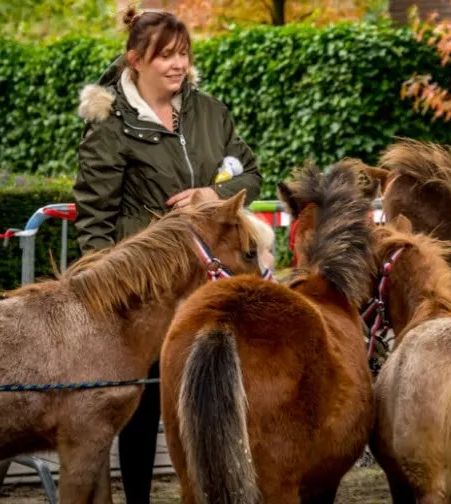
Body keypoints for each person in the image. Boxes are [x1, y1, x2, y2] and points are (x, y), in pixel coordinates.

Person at [72, 7, 262, 503]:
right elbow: (94, 217)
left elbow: (251, 173)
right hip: (146, 289)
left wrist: (211, 194)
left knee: (216, 389)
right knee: (144, 404)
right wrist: (105, 292)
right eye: (166, 56)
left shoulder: (211, 112)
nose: (179, 65)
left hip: (211, 278)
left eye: (184, 54)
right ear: (136, 60)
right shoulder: (110, 125)